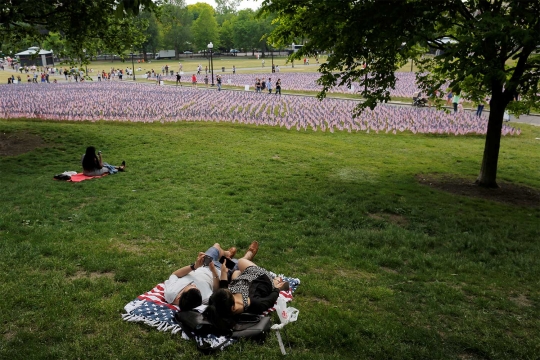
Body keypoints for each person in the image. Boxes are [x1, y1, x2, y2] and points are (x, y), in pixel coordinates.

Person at [203, 242, 289, 331]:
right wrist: (277, 288)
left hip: (241, 280)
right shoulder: (255, 304)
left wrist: (223, 272)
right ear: (233, 308)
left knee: (235, 272)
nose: (226, 289)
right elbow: (271, 299)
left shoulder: (225, 306)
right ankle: (273, 280)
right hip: (260, 278)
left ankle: (241, 260)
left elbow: (224, 288)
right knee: (241, 262)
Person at [163, 243, 237, 310]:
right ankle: (248, 254)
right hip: (220, 270)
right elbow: (217, 289)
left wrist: (194, 266)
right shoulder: (203, 299)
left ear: (179, 297)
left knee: (216, 246)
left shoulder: (171, 293)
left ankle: (227, 253)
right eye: (195, 287)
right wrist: (214, 271)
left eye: (192, 286)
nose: (194, 284)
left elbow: (175, 274)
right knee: (241, 263)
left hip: (204, 264)